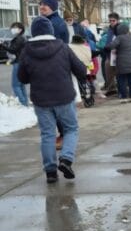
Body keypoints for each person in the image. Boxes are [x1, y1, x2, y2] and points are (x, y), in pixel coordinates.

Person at [17, 15, 88, 183]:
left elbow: (22, 78)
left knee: (47, 134)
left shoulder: (27, 50)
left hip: (41, 99)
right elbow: (81, 70)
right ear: (51, 30)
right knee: (71, 129)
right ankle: (66, 159)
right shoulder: (62, 47)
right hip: (64, 96)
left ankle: (50, 171)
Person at [112, 22, 131, 102]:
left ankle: (124, 97)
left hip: (122, 62)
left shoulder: (119, 37)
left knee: (122, 80)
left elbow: (113, 45)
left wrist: (108, 48)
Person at [7, 22, 29, 106]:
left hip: (18, 63)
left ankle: (23, 103)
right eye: (12, 27)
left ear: (20, 29)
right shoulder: (21, 38)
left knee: (15, 85)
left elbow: (13, 50)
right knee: (21, 85)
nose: (12, 29)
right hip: (21, 62)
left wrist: (2, 45)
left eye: (15, 27)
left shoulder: (19, 38)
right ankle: (25, 104)